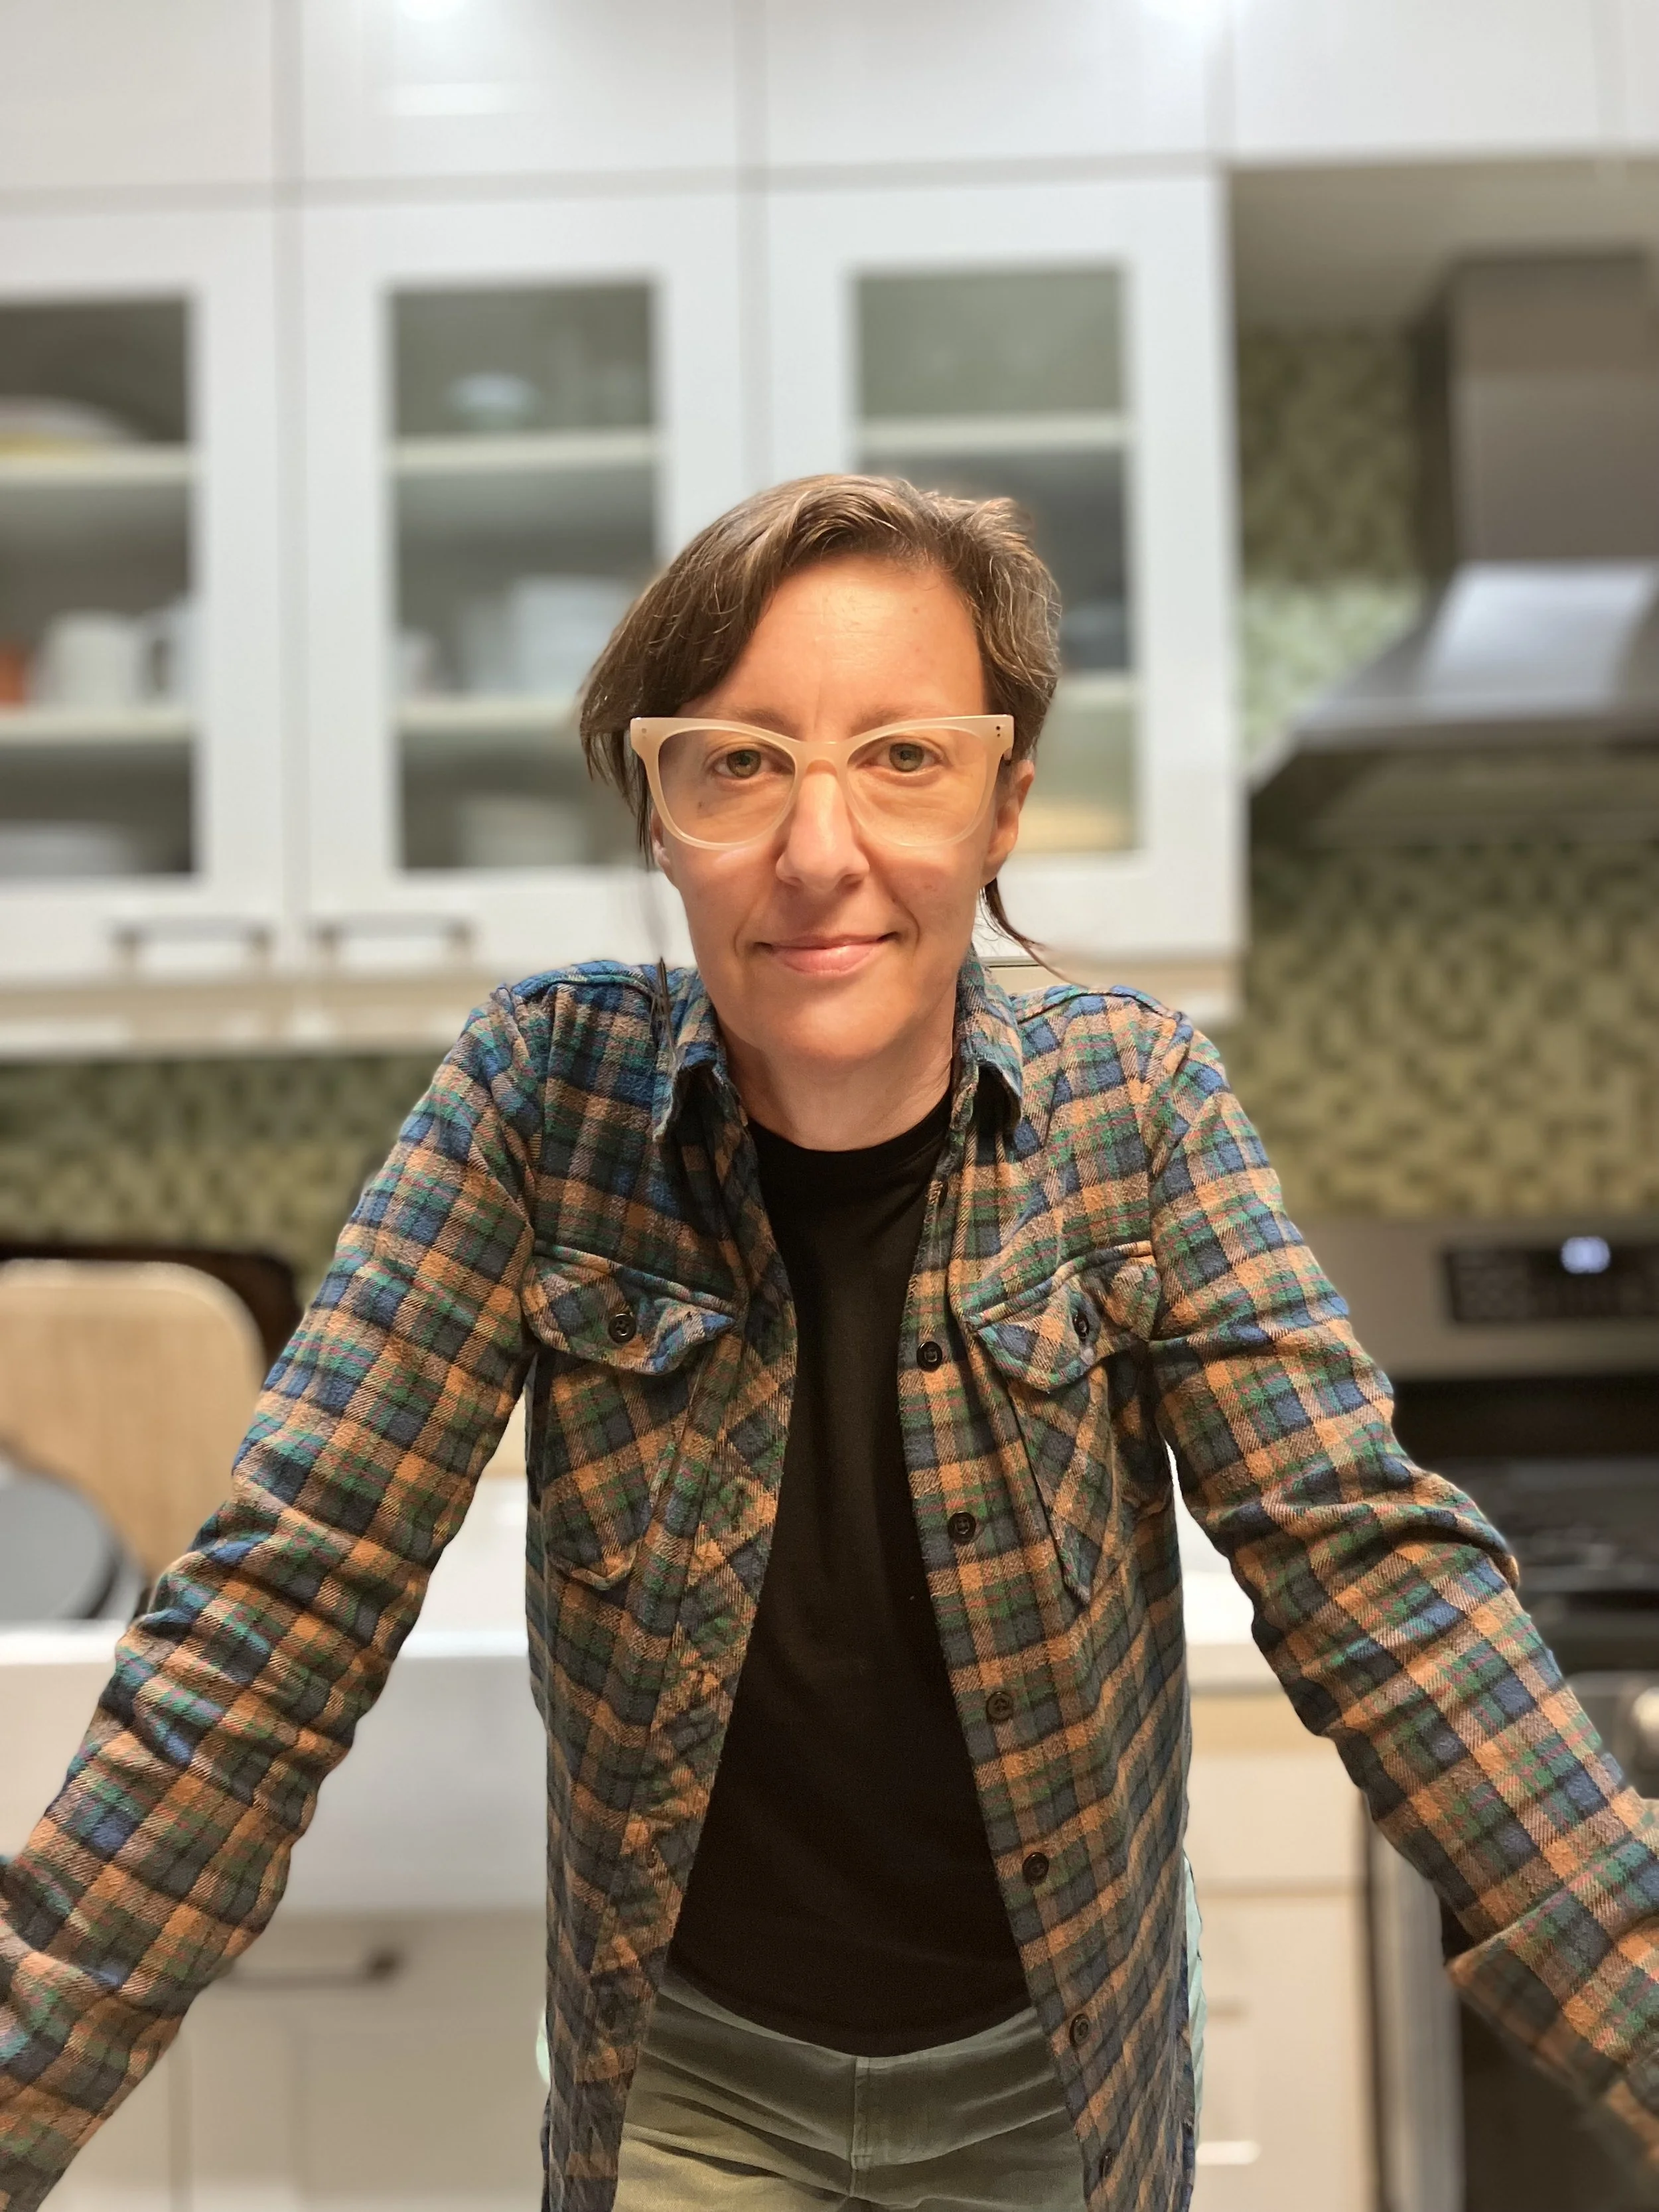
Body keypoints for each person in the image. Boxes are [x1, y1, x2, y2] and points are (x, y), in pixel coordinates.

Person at [2, 475, 1657, 2212]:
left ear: (1005, 800)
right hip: (689, 2092)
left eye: (901, 757)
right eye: (737, 762)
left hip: (1052, 2082)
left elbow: (1383, 1592)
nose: (816, 850)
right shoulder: (533, 1105)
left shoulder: (1132, 1108)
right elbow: (275, 1622)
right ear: (659, 812)